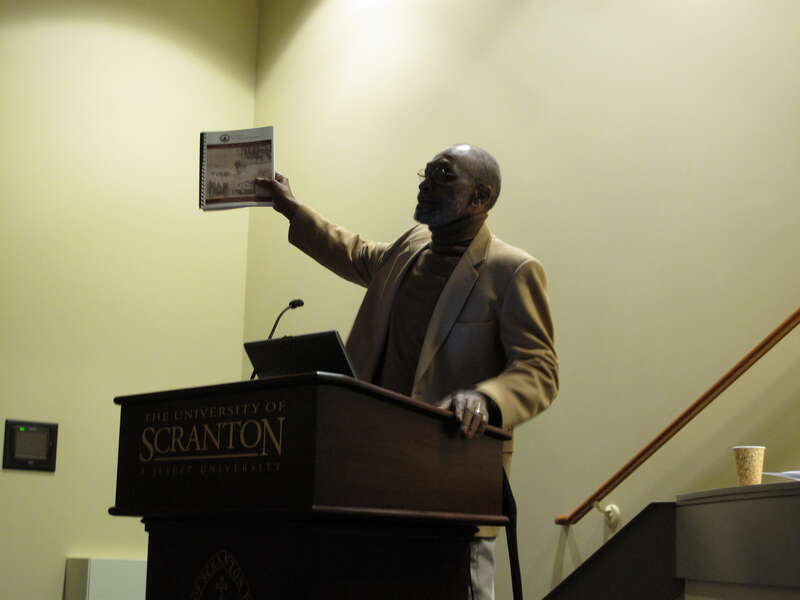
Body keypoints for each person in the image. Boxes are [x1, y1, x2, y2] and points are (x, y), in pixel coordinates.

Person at [257, 144, 558, 599]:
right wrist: (292, 209)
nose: (425, 181)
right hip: (373, 477)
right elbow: (354, 252)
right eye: (426, 172)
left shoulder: (511, 270)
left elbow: (539, 368)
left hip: (453, 480)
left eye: (442, 174)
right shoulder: (409, 249)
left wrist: (487, 399)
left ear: (480, 197)